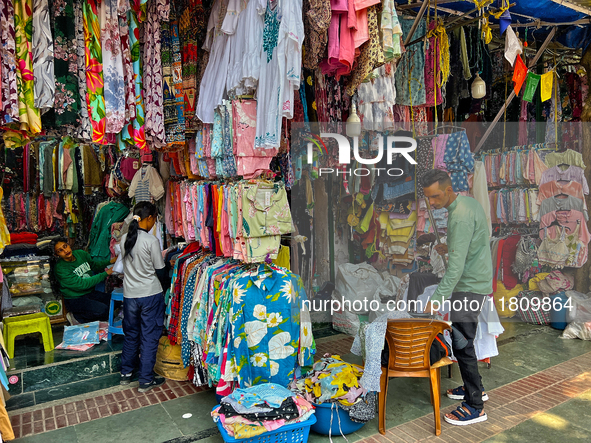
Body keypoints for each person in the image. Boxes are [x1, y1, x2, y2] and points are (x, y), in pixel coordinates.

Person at [421, 169, 492, 426]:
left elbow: (456, 268)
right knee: (466, 342)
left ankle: (475, 405)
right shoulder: (467, 203)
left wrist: (437, 298)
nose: (433, 203)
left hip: (469, 286)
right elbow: (472, 242)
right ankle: (475, 388)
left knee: (462, 343)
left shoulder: (458, 217)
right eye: (429, 198)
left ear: (449, 190)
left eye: (436, 197)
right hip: (477, 280)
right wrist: (450, 247)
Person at [119, 202, 167, 393]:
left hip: (130, 296)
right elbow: (160, 270)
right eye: (154, 219)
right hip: (150, 295)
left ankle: (126, 374)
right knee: (149, 336)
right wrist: (166, 287)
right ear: (149, 219)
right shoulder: (151, 241)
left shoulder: (123, 239)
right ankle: (145, 380)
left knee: (131, 335)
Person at [52, 238, 116, 325]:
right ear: (57, 255)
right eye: (60, 250)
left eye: (65, 246)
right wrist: (106, 273)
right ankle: (77, 317)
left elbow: (94, 266)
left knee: (115, 302)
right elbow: (82, 284)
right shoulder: (60, 268)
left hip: (89, 293)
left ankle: (91, 319)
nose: (65, 250)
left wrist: (110, 261)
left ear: (68, 245)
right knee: (103, 310)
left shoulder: (80, 254)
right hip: (75, 298)